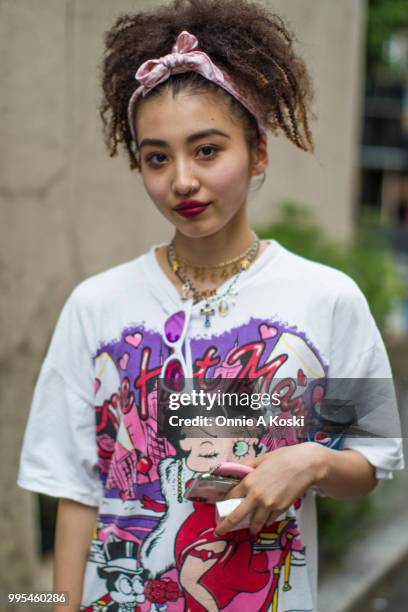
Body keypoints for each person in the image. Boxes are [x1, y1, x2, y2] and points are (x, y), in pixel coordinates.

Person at [17, 1, 405, 610]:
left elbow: (372, 462)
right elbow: (74, 490)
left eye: (206, 150)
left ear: (258, 154)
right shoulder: (95, 307)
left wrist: (309, 461)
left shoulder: (326, 299)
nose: (182, 181)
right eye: (156, 157)